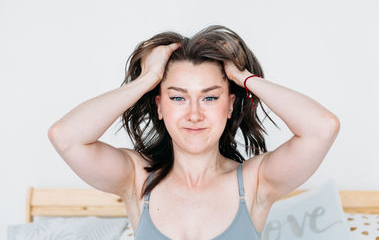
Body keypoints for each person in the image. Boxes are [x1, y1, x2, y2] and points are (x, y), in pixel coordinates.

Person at [48, 25, 340, 239]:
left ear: (229, 105)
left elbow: (322, 128)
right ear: (159, 106)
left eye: (210, 97)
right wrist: (147, 79)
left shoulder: (256, 182)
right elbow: (65, 136)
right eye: (178, 97)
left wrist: (244, 77)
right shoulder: (136, 178)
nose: (194, 114)